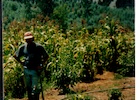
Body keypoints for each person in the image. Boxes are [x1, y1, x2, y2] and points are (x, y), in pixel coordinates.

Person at [13, 32, 49, 100]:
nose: (28, 41)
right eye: (27, 39)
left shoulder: (38, 47)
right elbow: (15, 55)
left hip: (35, 70)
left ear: (32, 38)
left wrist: (41, 64)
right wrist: (21, 62)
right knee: (28, 87)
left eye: (29, 39)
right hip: (26, 69)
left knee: (35, 88)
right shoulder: (23, 47)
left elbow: (46, 56)